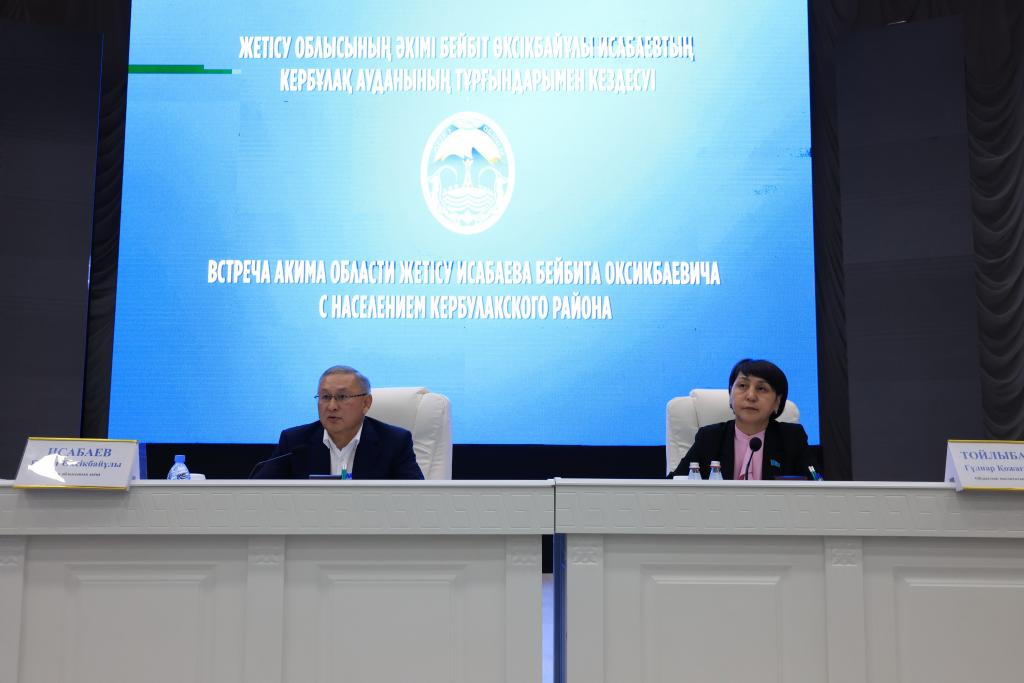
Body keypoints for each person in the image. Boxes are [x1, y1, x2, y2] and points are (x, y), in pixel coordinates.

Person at [251, 365, 424, 479]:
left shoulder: (394, 442)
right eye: (325, 397)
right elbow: (258, 494)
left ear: (366, 403)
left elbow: (417, 499)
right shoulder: (295, 442)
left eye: (342, 397)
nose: (332, 406)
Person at [669, 359, 811, 480]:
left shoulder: (792, 438)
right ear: (730, 394)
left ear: (777, 402)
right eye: (742, 386)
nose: (751, 396)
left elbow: (817, 486)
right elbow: (673, 486)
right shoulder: (710, 438)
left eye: (761, 388)